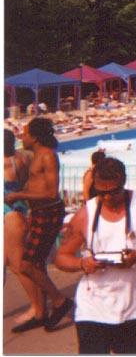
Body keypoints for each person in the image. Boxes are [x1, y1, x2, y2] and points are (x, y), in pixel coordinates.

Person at [54, 156, 136, 353]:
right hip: (93, 308)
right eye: (102, 193)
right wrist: (83, 264)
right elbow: (62, 256)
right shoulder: (86, 213)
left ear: (124, 182)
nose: (108, 198)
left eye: (114, 192)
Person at [6, 117, 74, 333]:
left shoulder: (47, 156)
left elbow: (52, 193)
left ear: (34, 137)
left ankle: (59, 302)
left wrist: (19, 194)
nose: (22, 137)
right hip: (39, 212)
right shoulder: (35, 156)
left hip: (48, 212)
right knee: (34, 263)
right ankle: (41, 312)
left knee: (27, 264)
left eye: (25, 133)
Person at [5, 129, 34, 326]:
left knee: (19, 266)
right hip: (18, 210)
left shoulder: (5, 162)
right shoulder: (24, 158)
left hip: (10, 214)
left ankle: (36, 306)